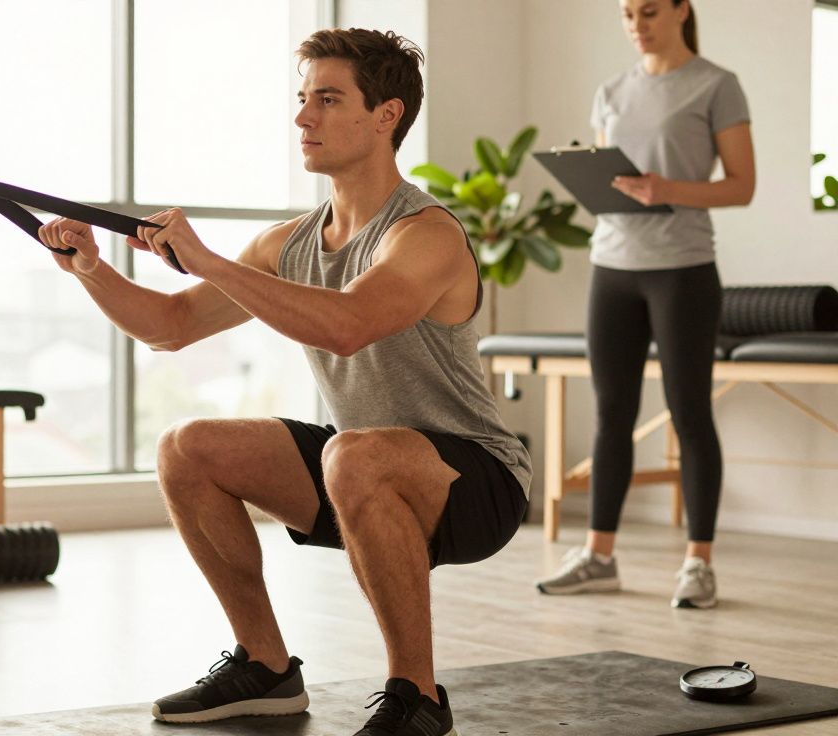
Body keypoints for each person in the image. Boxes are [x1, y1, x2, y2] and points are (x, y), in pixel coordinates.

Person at [38, 28, 529, 736]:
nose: (304, 118)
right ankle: (266, 669)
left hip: (473, 481)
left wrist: (209, 260)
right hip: (356, 468)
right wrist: (91, 268)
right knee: (188, 447)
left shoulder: (425, 234)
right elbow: (171, 325)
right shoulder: (289, 242)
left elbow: (350, 323)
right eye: (303, 100)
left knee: (352, 453)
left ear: (386, 116)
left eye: (327, 100)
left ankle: (417, 697)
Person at [535, 0, 754, 609]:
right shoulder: (612, 90)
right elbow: (616, 180)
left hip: (682, 270)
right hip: (612, 268)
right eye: (627, 14)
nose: (637, 24)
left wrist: (668, 191)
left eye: (650, 11)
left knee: (689, 414)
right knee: (611, 415)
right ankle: (600, 555)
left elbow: (742, 185)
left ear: (682, 10)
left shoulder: (716, 84)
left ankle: (698, 564)